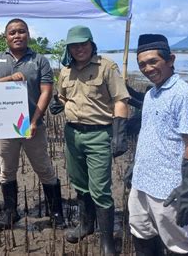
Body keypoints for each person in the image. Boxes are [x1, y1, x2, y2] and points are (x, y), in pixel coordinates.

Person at [49, 25, 129, 255]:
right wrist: (59, 103)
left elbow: (120, 100)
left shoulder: (107, 67)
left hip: (99, 134)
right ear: (69, 48)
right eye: (74, 45)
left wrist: (119, 133)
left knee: (100, 189)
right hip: (72, 134)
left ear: (92, 44)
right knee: (79, 183)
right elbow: (64, 97)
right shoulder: (65, 71)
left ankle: (106, 241)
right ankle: (86, 225)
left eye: (83, 44)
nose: (79, 49)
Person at [0, 18, 65, 230]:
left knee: (44, 169)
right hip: (3, 126)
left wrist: (35, 121)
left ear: (28, 34)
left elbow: (46, 91)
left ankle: (56, 213)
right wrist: (9, 79)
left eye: (21, 31)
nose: (17, 35)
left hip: (32, 125)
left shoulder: (39, 60)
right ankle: (11, 212)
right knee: (6, 171)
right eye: (12, 32)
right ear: (6, 37)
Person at [128, 34, 188, 256]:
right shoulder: (151, 94)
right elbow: (151, 134)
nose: (147, 68)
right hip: (142, 182)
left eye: (153, 61)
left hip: (168, 188)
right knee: (141, 231)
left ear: (170, 59)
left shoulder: (186, 95)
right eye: (142, 64)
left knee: (178, 244)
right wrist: (136, 167)